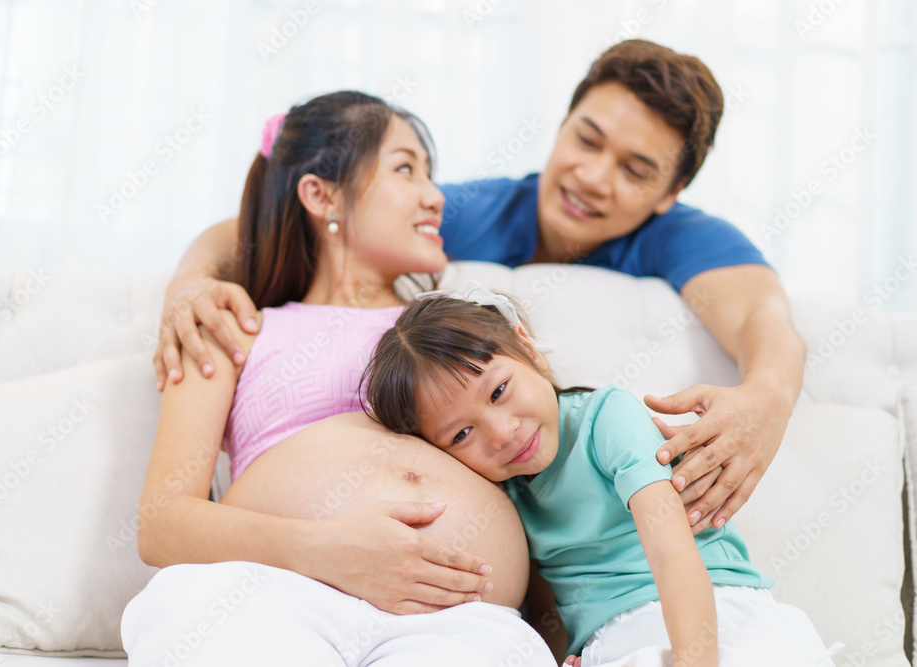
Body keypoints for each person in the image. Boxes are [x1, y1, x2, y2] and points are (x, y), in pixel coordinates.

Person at [151, 39, 806, 538]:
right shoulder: (466, 214)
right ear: (562, 125)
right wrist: (189, 283)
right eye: (587, 140)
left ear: (671, 192)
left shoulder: (684, 238)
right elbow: (273, 223)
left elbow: (763, 315)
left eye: (635, 170)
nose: (592, 176)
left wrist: (767, 399)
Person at [123, 91, 558, 666]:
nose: (435, 197)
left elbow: (545, 479)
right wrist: (324, 549)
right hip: (272, 592)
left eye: (430, 175)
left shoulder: (460, 325)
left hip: (460, 617)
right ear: (321, 195)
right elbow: (161, 523)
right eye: (405, 169)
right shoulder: (231, 327)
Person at [361, 290, 835, 667]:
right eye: (462, 434)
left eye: (499, 390)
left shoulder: (606, 418)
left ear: (527, 346)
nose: (502, 433)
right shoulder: (505, 494)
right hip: (613, 643)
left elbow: (671, 552)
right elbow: (548, 607)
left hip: (709, 612)